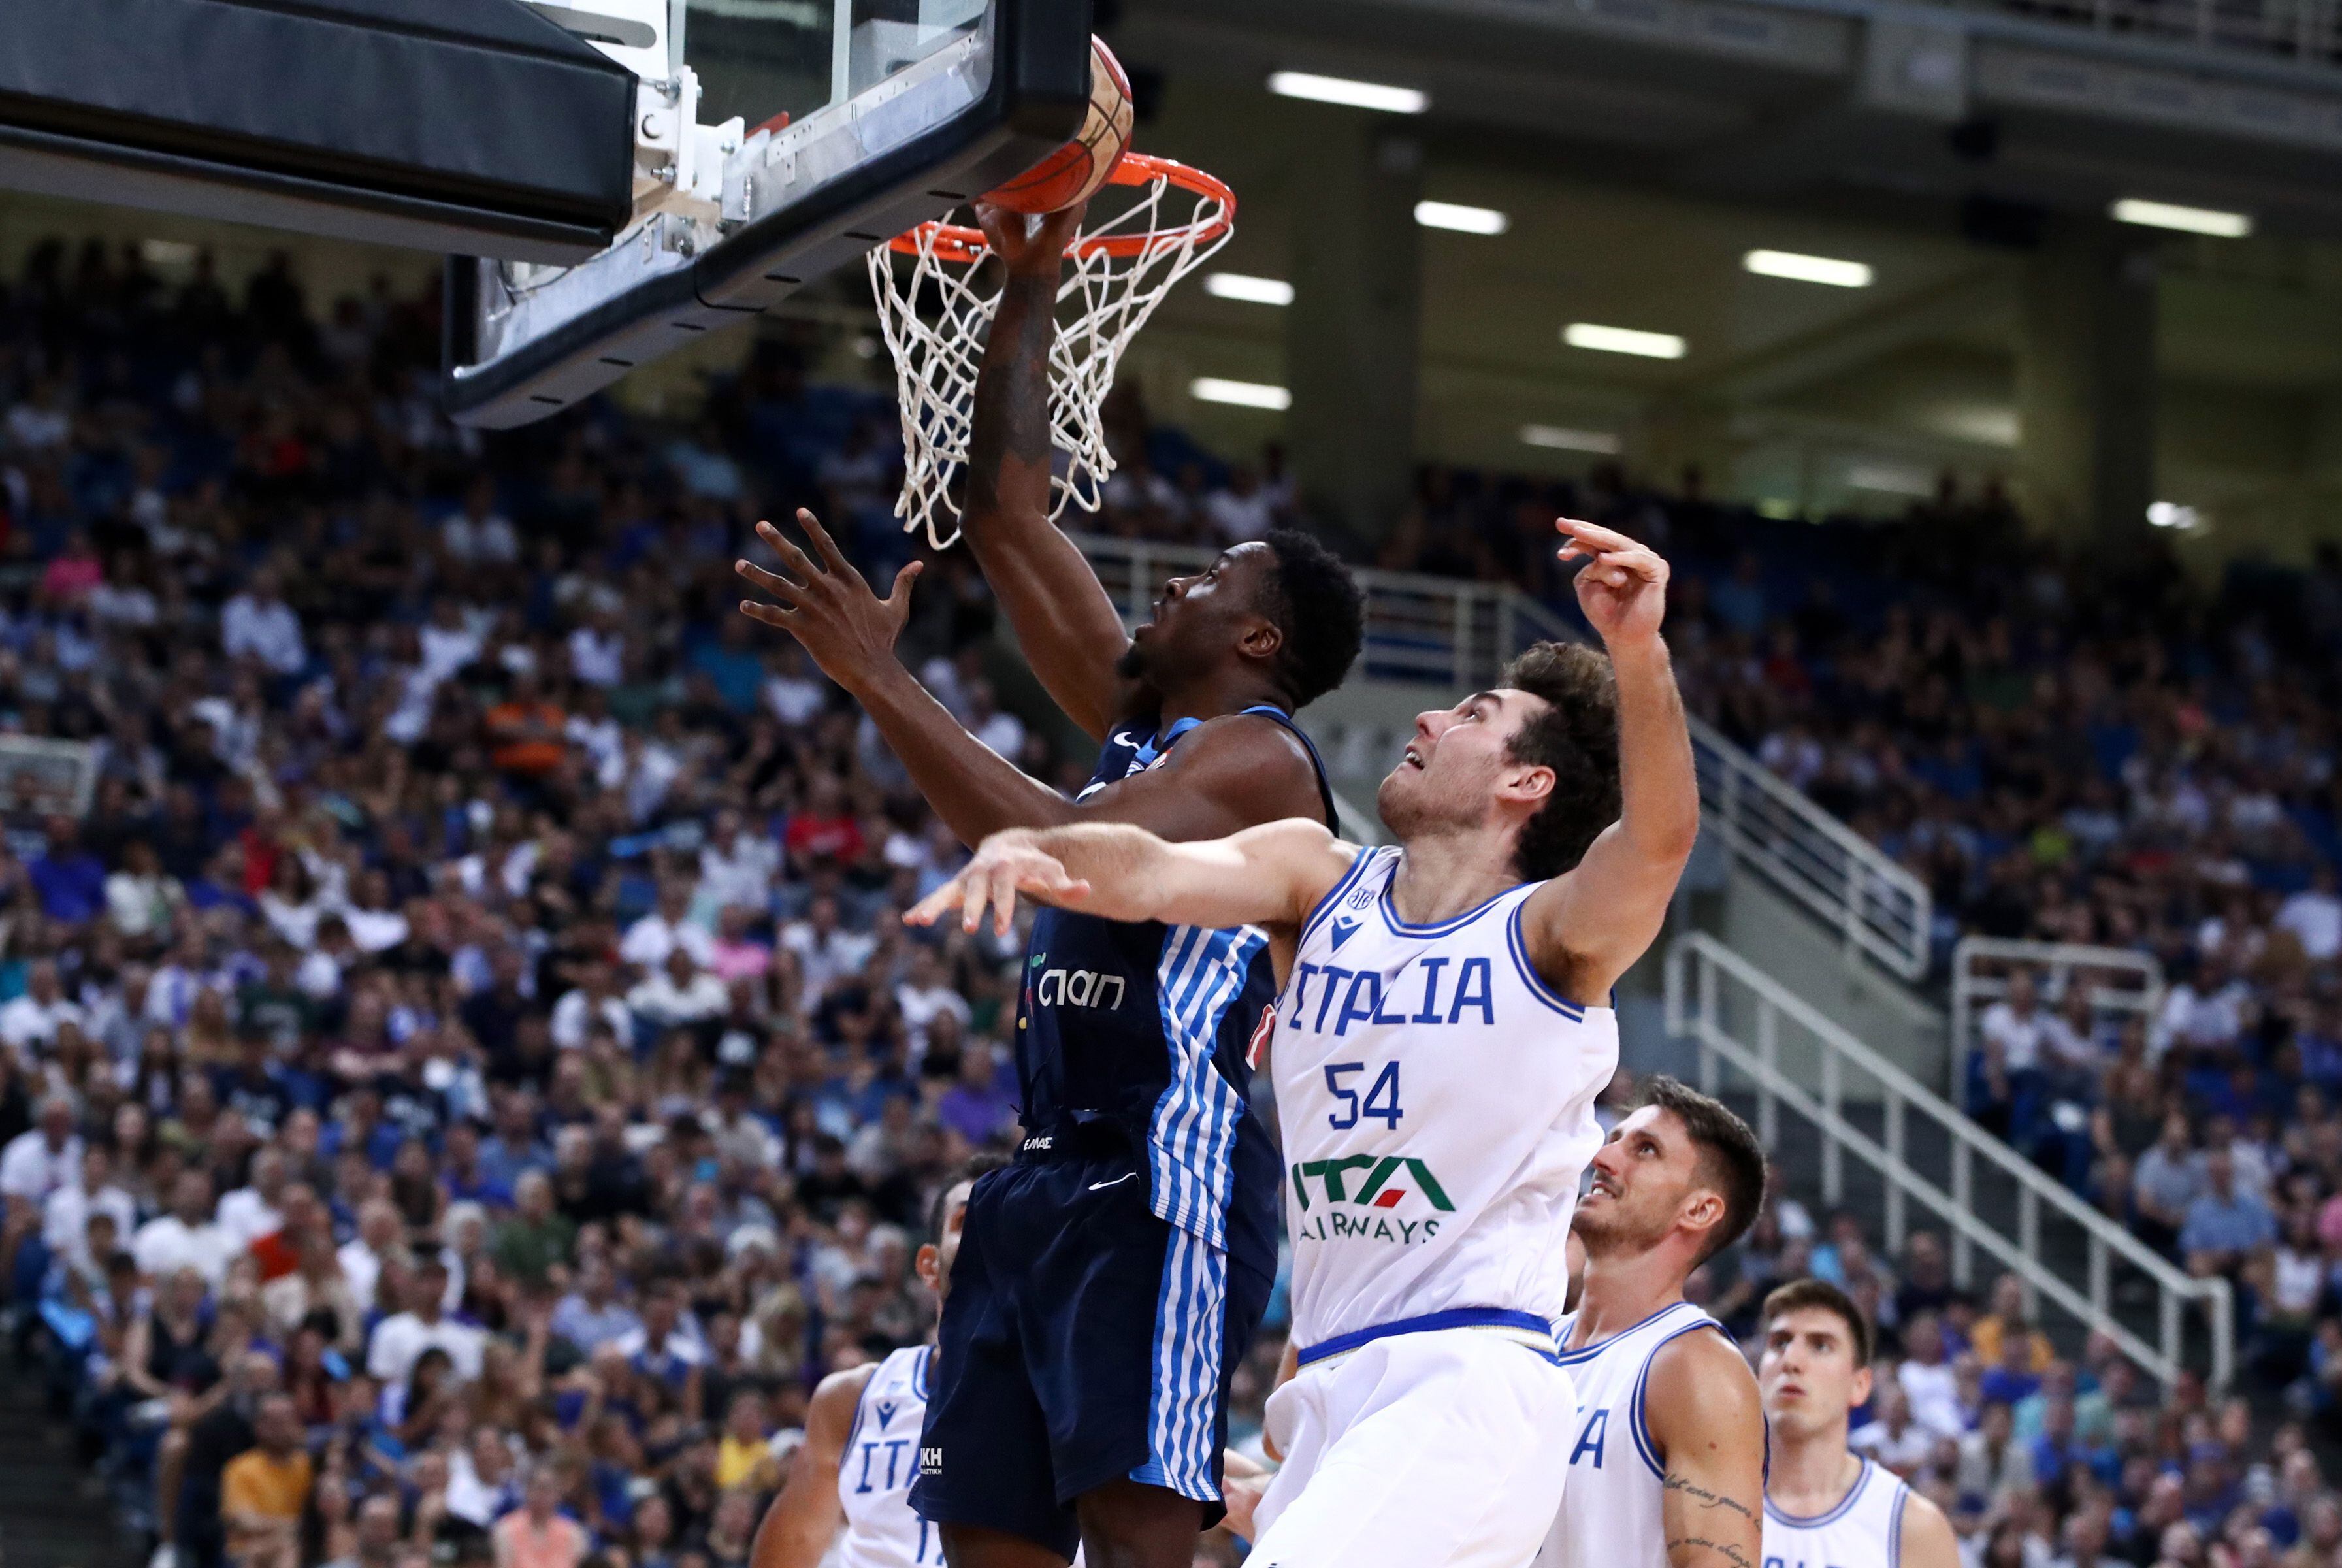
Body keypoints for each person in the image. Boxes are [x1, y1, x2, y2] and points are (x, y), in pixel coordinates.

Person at [738, 199, 1365, 1568]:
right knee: (984, 1541)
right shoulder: (1147, 727)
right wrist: (1031, 271)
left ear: (1255, 637)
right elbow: (1003, 515)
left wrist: (878, 678)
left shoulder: (1259, 763)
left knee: (1138, 1538)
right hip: (1038, 1173)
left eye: (1209, 579)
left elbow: (1052, 848)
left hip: (1162, 1171)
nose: (1174, 587)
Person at [908, 515, 1699, 1568]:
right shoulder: (1315, 875)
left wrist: (1637, 651)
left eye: (1472, 714)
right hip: (1329, 1385)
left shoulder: (1554, 933)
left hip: (1463, 1380)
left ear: (1527, 783)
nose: (1428, 715)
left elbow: (1658, 840)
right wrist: (1042, 847)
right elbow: (1146, 869)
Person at [1531, 1077, 1770, 1568]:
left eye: (1644, 1151)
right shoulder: (1529, 1346)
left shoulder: (1694, 1368)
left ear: (1699, 1209)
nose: (1603, 1158)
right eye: (1614, 1140)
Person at [748, 1156, 1002, 1568]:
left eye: (1007, 1218)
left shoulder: (1077, 1396)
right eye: (966, 1219)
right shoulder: (850, 1401)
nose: (989, 1230)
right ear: (929, 1265)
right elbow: (788, 1551)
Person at [1757, 1279, 1958, 1568]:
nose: (1792, 1360)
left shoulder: (1912, 1527)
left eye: (1821, 1346)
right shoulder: (1710, 1504)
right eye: (1780, 1343)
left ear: (1860, 1385)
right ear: (1757, 1372)